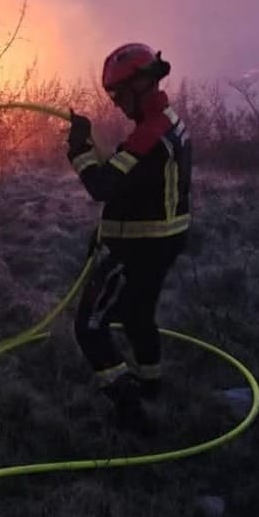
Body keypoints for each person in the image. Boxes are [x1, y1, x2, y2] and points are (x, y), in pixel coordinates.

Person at [66, 43, 191, 432]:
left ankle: (130, 409)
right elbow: (133, 187)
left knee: (89, 327)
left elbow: (103, 186)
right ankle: (151, 384)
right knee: (138, 315)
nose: (117, 103)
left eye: (119, 93)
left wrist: (79, 151)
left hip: (137, 247)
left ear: (143, 83)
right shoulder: (168, 120)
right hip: (164, 239)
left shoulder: (148, 136)